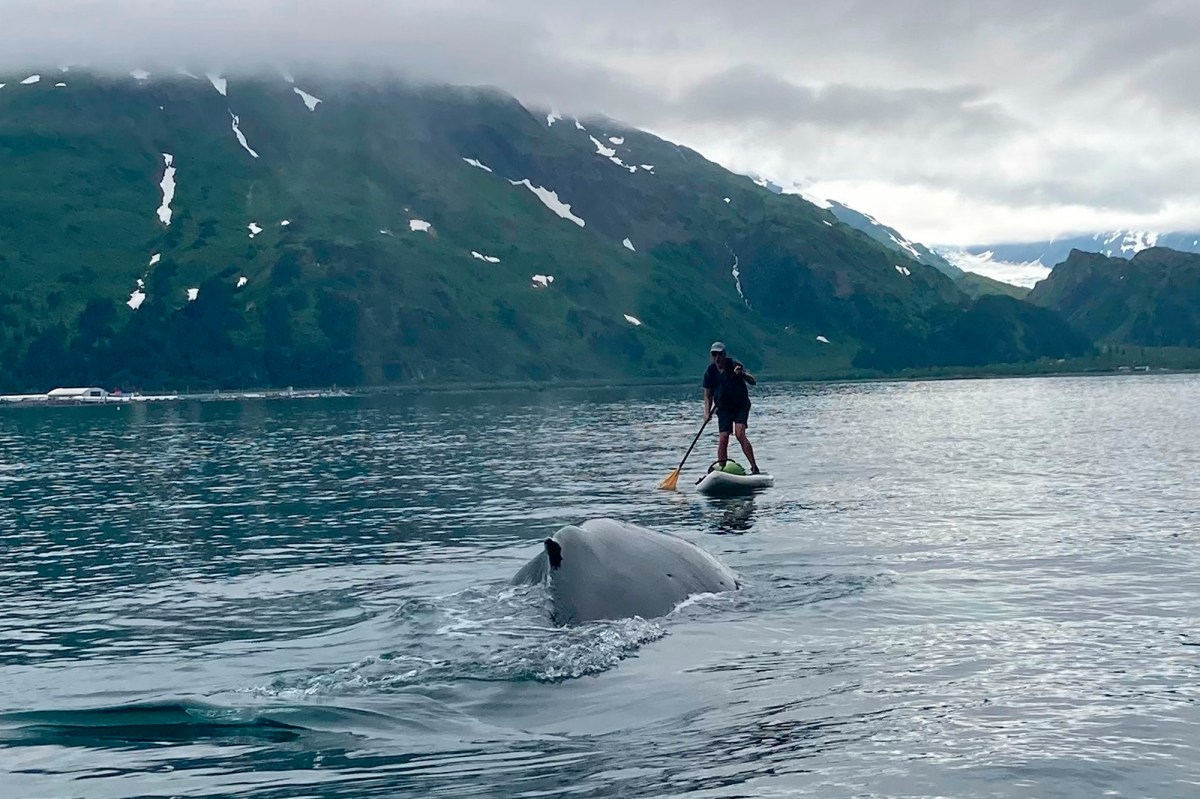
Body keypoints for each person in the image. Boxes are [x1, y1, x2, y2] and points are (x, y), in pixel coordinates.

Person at [702, 341, 760, 474]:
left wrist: (742, 374)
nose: (717, 357)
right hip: (723, 408)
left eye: (720, 354)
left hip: (740, 405)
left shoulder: (734, 364)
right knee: (723, 437)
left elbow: (753, 381)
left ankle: (754, 467)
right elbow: (707, 395)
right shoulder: (710, 372)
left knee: (740, 433)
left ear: (724, 354)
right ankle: (722, 467)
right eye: (714, 354)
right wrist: (707, 413)